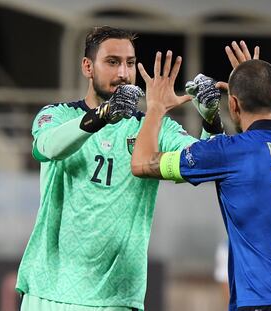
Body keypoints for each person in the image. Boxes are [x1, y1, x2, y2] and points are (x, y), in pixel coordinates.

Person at [15, 26, 222, 311]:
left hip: (117, 298)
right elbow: (46, 148)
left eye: (130, 63)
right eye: (112, 62)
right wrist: (102, 115)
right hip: (50, 292)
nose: (123, 73)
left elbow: (205, 163)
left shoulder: (150, 129)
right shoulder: (58, 115)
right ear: (88, 66)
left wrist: (211, 120)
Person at [131, 49, 271, 310]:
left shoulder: (230, 151)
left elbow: (140, 163)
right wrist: (256, 83)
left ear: (234, 105)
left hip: (262, 303)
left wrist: (156, 108)